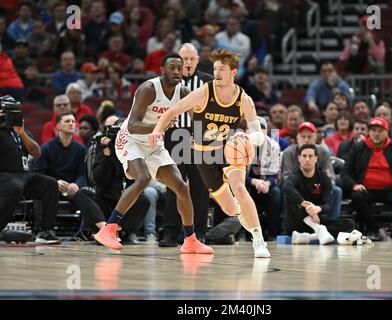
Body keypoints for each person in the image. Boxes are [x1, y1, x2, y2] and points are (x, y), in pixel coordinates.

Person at [150, 49, 271, 258]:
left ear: (233, 72)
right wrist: (157, 131)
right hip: (203, 156)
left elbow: (258, 134)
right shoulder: (204, 92)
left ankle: (258, 240)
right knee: (230, 208)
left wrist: (247, 139)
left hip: (229, 151)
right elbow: (172, 111)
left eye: (222, 69)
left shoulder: (244, 99)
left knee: (240, 189)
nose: (217, 73)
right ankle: (243, 215)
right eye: (215, 69)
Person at [94, 52, 213, 254]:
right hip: (130, 140)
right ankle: (108, 229)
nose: (177, 71)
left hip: (153, 144)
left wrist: (202, 137)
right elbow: (131, 126)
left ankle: (190, 239)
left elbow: (197, 119)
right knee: (143, 178)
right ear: (162, 70)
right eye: (172, 68)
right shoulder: (149, 89)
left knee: (182, 188)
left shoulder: (183, 92)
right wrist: (159, 126)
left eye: (180, 68)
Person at [159, 43, 213, 247]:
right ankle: (170, 233)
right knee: (174, 185)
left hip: (203, 135)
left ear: (197, 60)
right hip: (175, 135)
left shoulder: (208, 81)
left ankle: (198, 234)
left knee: (201, 187)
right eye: (184, 59)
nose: (188, 63)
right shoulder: (167, 82)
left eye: (192, 59)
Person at [0, 95, 60, 243]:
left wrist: (22, 133)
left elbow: (37, 152)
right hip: (4, 174)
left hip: (24, 175)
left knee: (51, 185)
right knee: (15, 187)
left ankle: (46, 231)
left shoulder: (22, 131)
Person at [283, 144, 355, 244]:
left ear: (316, 158)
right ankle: (319, 231)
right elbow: (286, 187)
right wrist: (305, 204)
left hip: (317, 219)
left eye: (310, 156)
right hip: (297, 223)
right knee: (289, 195)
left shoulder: (323, 178)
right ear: (299, 158)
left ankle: (310, 237)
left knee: (349, 223)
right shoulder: (295, 176)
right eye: (304, 156)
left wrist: (317, 209)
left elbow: (328, 204)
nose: (307, 159)